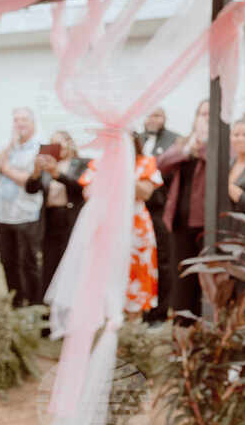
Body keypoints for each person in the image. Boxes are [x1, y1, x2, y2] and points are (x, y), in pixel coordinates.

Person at [79, 133, 161, 318]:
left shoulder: (144, 163)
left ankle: (133, 324)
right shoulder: (99, 163)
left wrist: (123, 173)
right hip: (107, 223)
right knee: (105, 271)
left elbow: (145, 192)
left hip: (135, 225)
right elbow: (87, 192)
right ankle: (107, 318)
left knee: (136, 272)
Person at [0, 107, 43, 307]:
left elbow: (28, 181)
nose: (20, 124)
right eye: (16, 120)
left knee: (28, 263)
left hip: (26, 215)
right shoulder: (7, 147)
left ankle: (34, 304)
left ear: (33, 123)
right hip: (2, 215)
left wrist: (5, 168)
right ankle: (16, 301)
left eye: (24, 119)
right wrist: (8, 148)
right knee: (8, 261)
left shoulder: (37, 148)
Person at [158, 100, 209, 323]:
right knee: (181, 276)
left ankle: (201, 326)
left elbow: (225, 162)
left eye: (209, 114)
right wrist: (188, 151)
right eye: (201, 113)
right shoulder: (183, 142)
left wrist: (204, 147)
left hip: (206, 222)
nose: (204, 118)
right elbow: (162, 163)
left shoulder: (222, 142)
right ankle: (182, 327)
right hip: (179, 220)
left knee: (203, 278)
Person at [25, 130, 89, 297]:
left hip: (71, 217)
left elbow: (80, 188)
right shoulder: (46, 167)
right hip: (50, 218)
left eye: (59, 143)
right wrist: (36, 171)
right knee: (49, 263)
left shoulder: (81, 163)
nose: (55, 147)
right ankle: (47, 309)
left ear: (69, 143)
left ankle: (70, 302)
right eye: (52, 143)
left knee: (70, 262)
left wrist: (57, 174)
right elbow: (30, 189)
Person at [138, 107, 179, 324]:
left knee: (162, 259)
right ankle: (140, 308)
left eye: (158, 115)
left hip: (161, 208)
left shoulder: (174, 141)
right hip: (137, 209)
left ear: (164, 118)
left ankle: (160, 312)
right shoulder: (137, 140)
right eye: (150, 114)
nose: (153, 119)